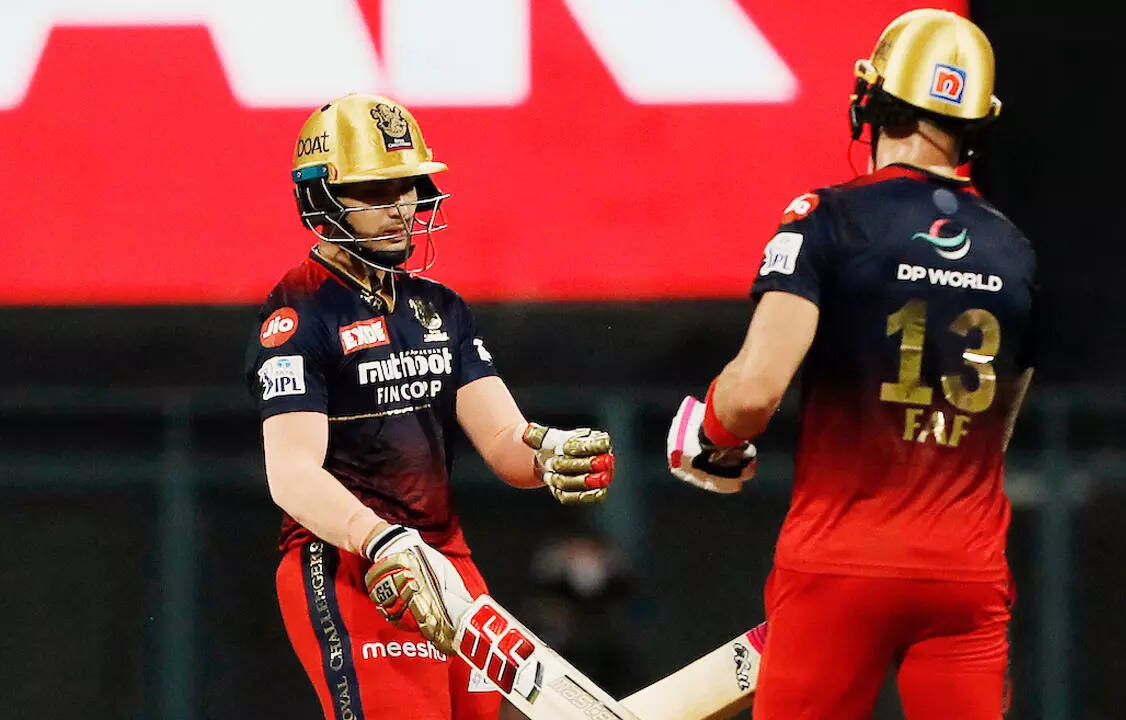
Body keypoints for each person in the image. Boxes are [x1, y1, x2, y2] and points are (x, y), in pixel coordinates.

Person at [665, 10, 1036, 719]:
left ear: (871, 100)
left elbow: (753, 394)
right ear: (977, 125)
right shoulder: (1016, 251)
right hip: (965, 571)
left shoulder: (826, 218)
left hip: (840, 560)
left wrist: (712, 433)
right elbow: (998, 432)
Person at [246, 93, 616, 720]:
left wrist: (550, 454)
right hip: (351, 563)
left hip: (446, 557)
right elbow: (291, 474)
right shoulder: (298, 314)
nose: (400, 207)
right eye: (376, 189)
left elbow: (503, 439)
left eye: (408, 185)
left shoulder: (440, 306)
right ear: (320, 197)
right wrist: (380, 540)